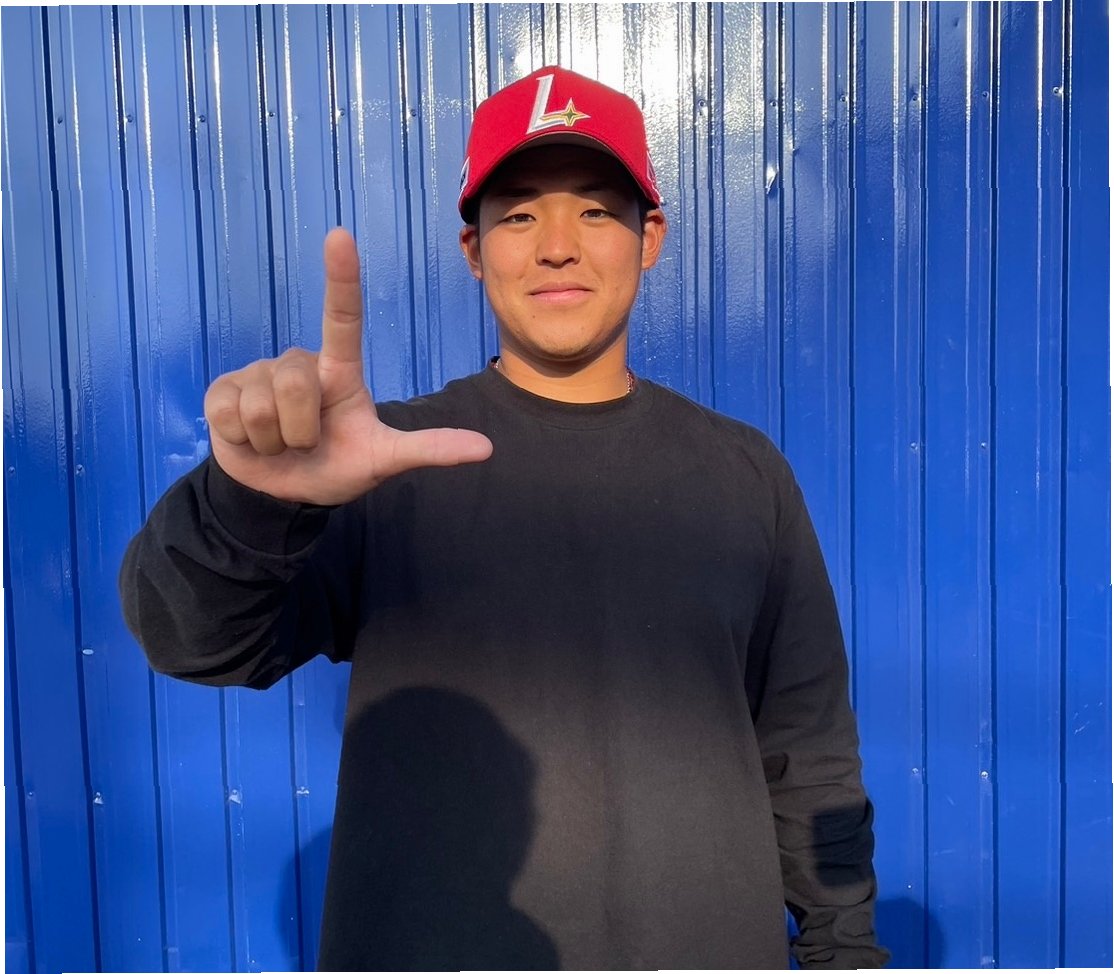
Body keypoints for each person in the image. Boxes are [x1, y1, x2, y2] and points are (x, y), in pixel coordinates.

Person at [120, 65, 889, 970]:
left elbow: (807, 748)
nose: (557, 246)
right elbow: (193, 641)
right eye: (519, 215)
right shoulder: (381, 464)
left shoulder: (746, 474)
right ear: (474, 250)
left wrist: (845, 951)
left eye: (595, 210)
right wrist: (251, 501)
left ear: (650, 238)